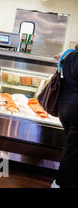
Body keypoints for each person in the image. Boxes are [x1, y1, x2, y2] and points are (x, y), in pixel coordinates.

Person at [54, 47, 78, 188]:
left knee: (72, 147)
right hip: (76, 111)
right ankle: (60, 183)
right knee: (72, 152)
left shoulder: (69, 55)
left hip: (64, 108)